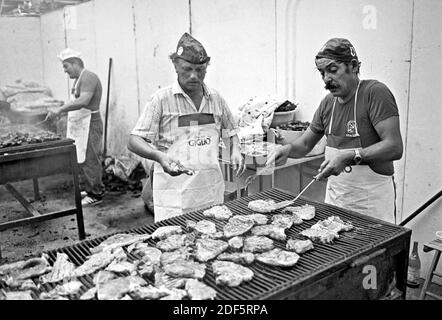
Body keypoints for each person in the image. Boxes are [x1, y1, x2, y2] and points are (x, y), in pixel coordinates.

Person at [267, 38, 403, 224]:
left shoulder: (374, 93)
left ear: (353, 66)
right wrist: (287, 150)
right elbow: (306, 144)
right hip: (336, 202)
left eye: (332, 70)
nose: (326, 79)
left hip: (372, 205)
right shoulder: (328, 103)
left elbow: (394, 147)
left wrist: (350, 156)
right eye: (322, 73)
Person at [128, 32, 245, 222]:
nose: (193, 75)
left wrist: (236, 149)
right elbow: (134, 141)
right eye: (187, 69)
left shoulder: (215, 99)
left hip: (210, 191)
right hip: (174, 195)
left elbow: (230, 131)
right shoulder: (161, 99)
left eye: (200, 70)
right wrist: (159, 156)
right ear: (175, 66)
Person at [46, 48, 105, 206]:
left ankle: (96, 194)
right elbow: (76, 104)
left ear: (75, 63)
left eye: (66, 66)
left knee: (91, 158)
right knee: (84, 157)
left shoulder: (89, 77)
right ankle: (91, 187)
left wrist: (60, 109)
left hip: (91, 122)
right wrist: (62, 114)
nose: (65, 71)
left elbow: (83, 101)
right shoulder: (78, 79)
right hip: (82, 123)